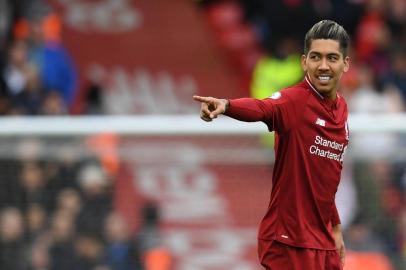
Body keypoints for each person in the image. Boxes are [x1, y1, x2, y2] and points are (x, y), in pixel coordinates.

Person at [193, 20, 350, 270]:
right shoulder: (294, 101)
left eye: (332, 58)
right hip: (289, 241)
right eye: (315, 57)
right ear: (303, 62)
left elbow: (324, 179)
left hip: (322, 242)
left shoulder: (341, 109)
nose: (323, 66)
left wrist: (336, 228)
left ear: (345, 64)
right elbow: (264, 107)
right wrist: (227, 105)